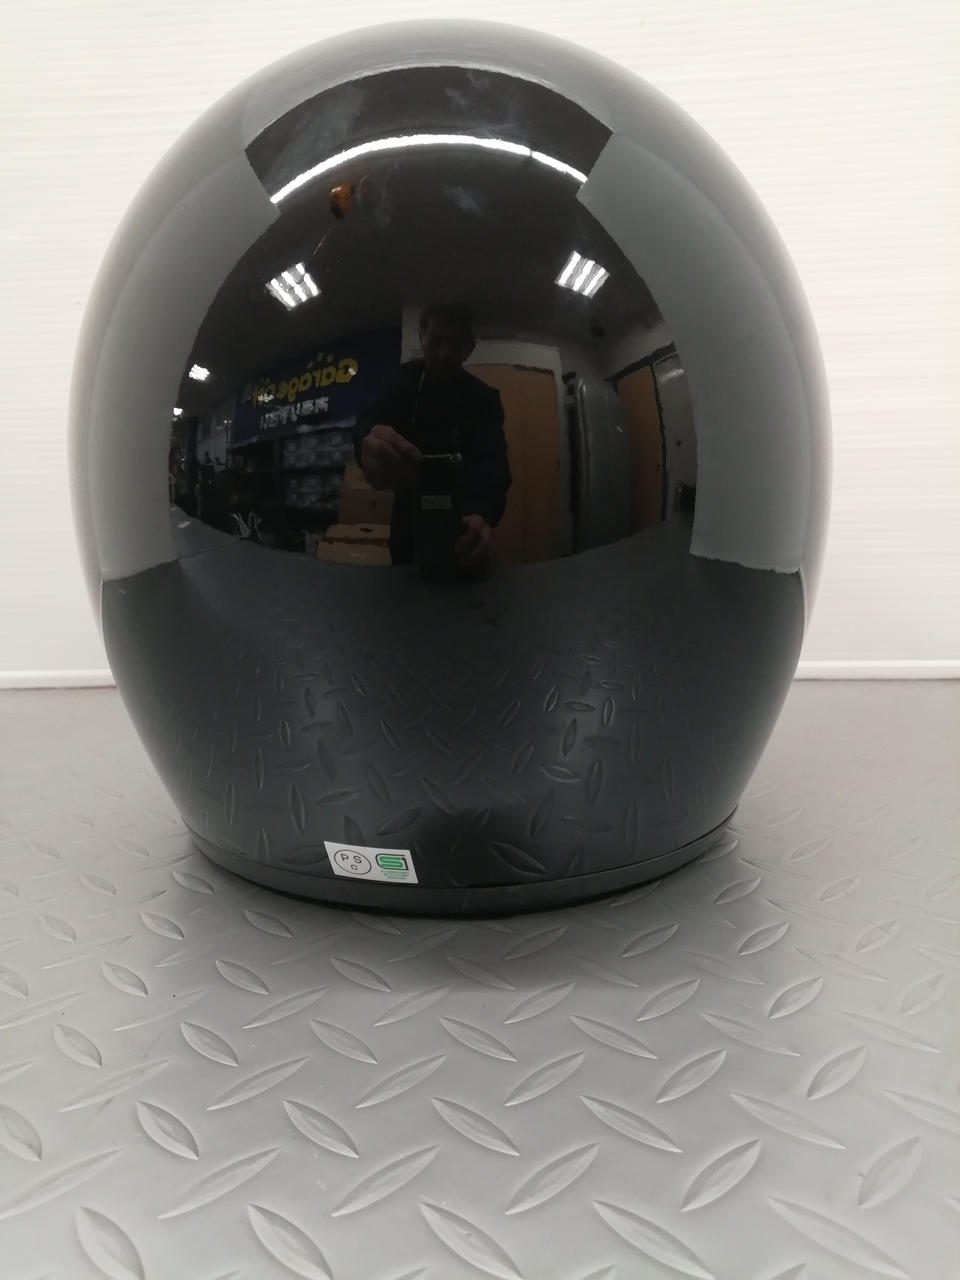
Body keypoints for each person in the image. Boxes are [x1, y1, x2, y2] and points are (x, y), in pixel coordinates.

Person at [352, 304, 512, 573]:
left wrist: (481, 513)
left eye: (456, 345)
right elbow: (369, 422)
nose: (444, 354)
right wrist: (367, 444)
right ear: (421, 337)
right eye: (435, 340)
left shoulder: (484, 398)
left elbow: (494, 466)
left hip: (463, 523)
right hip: (407, 521)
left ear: (470, 348)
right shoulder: (402, 380)